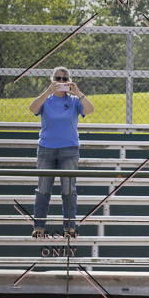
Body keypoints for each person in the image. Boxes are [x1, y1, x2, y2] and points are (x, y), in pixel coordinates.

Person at [28, 66, 94, 238]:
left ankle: (70, 227)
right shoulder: (46, 99)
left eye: (65, 79)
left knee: (69, 189)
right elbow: (33, 108)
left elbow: (89, 110)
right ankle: (39, 226)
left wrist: (78, 93)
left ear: (69, 82)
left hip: (69, 149)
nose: (61, 82)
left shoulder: (74, 101)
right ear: (52, 80)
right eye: (58, 78)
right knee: (43, 188)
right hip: (46, 148)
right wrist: (47, 91)